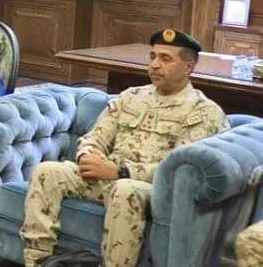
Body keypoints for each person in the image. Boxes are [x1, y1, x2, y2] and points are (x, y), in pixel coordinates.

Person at [20, 28, 230, 267]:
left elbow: (179, 171)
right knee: (48, 171)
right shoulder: (131, 97)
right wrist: (87, 156)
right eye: (153, 56)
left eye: (166, 59)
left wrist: (120, 172)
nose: (155, 65)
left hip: (154, 191)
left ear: (188, 67)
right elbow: (96, 136)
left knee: (124, 189)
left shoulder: (203, 112)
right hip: (107, 178)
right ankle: (36, 259)